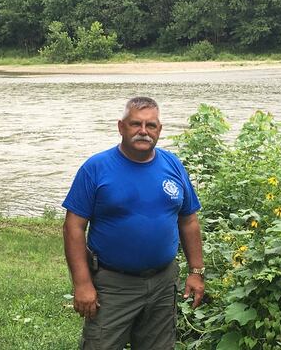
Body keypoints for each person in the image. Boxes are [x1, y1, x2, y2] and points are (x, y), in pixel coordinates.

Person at [62, 96, 206, 350]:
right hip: (112, 284)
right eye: (135, 124)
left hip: (163, 283)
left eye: (151, 125)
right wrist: (82, 283)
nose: (143, 131)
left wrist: (196, 272)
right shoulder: (96, 168)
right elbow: (73, 227)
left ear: (159, 130)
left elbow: (188, 220)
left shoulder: (172, 165)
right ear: (121, 127)